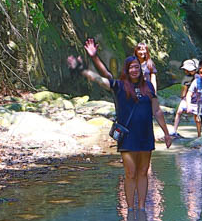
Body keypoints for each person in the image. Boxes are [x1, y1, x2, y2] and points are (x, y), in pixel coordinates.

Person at [74, 38, 172, 210]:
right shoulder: (119, 86)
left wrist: (166, 133)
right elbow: (100, 79)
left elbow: (157, 111)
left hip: (145, 135)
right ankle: (131, 208)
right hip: (127, 136)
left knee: (143, 172)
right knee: (130, 173)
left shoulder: (148, 86)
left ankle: (141, 208)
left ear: (140, 70)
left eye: (136, 67)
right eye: (130, 67)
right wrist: (93, 58)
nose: (134, 70)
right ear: (126, 71)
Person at [170, 59, 202, 138]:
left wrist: (183, 97)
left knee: (182, 113)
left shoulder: (194, 78)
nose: (186, 71)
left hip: (195, 99)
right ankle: (199, 135)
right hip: (192, 99)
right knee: (182, 113)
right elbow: (184, 90)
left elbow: (184, 90)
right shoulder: (197, 77)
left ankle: (175, 130)